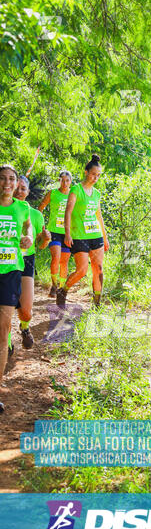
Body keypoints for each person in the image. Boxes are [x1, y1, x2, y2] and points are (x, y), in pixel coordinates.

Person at [0, 165, 33, 414]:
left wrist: (28, 237)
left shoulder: (22, 208)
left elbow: (28, 227)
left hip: (10, 272)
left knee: (3, 331)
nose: (7, 183)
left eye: (11, 179)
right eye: (2, 179)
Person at [56, 154, 109, 308]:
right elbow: (68, 211)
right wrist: (67, 233)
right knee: (82, 270)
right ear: (86, 172)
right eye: (93, 174)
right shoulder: (76, 190)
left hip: (96, 235)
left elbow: (99, 216)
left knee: (98, 269)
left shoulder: (97, 194)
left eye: (98, 175)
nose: (95, 178)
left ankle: (97, 303)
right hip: (79, 235)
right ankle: (63, 290)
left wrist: (105, 238)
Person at [14, 176, 51, 348]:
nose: (19, 191)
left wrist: (45, 239)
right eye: (17, 187)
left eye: (23, 189)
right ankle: (6, 344)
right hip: (5, 259)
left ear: (28, 192)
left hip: (27, 260)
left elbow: (41, 245)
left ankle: (25, 327)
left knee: (26, 311)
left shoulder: (35, 215)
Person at [38, 171, 72, 297]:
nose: (65, 183)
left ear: (70, 182)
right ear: (59, 181)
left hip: (67, 233)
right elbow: (40, 209)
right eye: (62, 180)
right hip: (54, 231)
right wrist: (40, 227)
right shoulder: (52, 193)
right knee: (56, 258)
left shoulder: (73, 195)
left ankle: (62, 289)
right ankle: (54, 285)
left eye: (67, 180)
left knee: (64, 262)